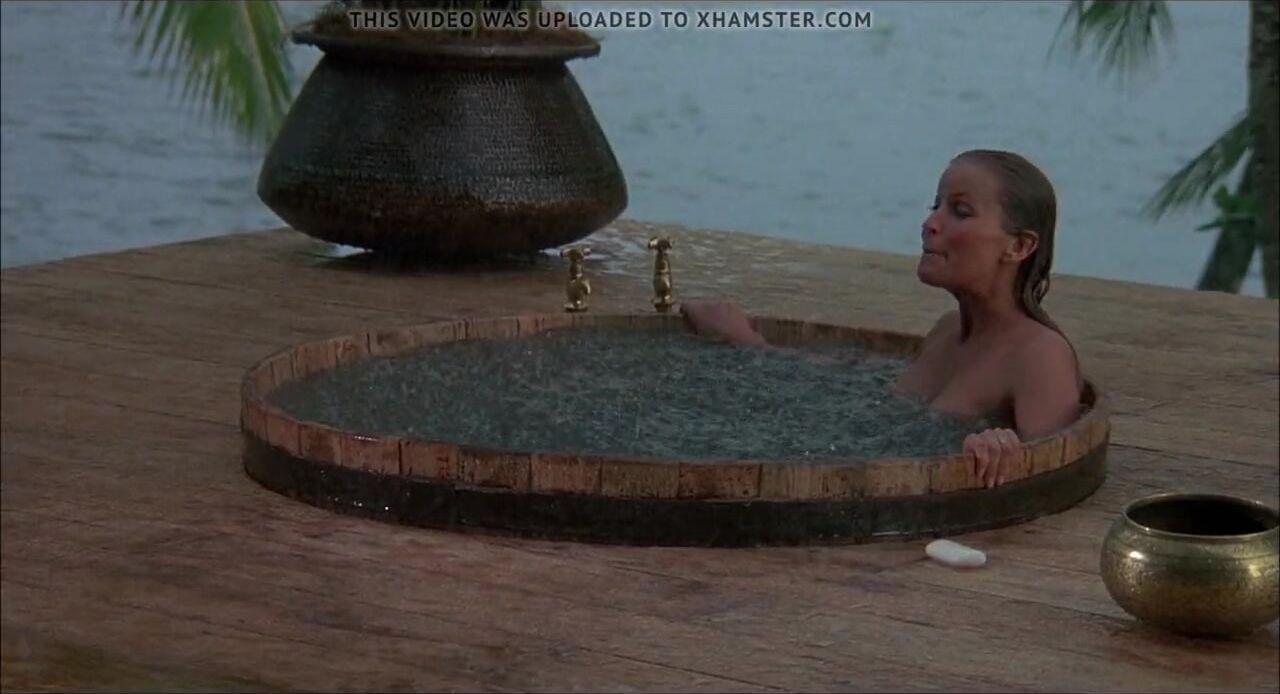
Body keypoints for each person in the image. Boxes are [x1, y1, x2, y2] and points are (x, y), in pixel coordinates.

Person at [680, 149, 1082, 488]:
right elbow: (849, 390)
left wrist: (1005, 450)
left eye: (960, 211)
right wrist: (747, 343)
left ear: (1019, 246)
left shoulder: (1040, 357)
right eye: (935, 206)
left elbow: (1056, 472)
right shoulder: (947, 331)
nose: (930, 224)